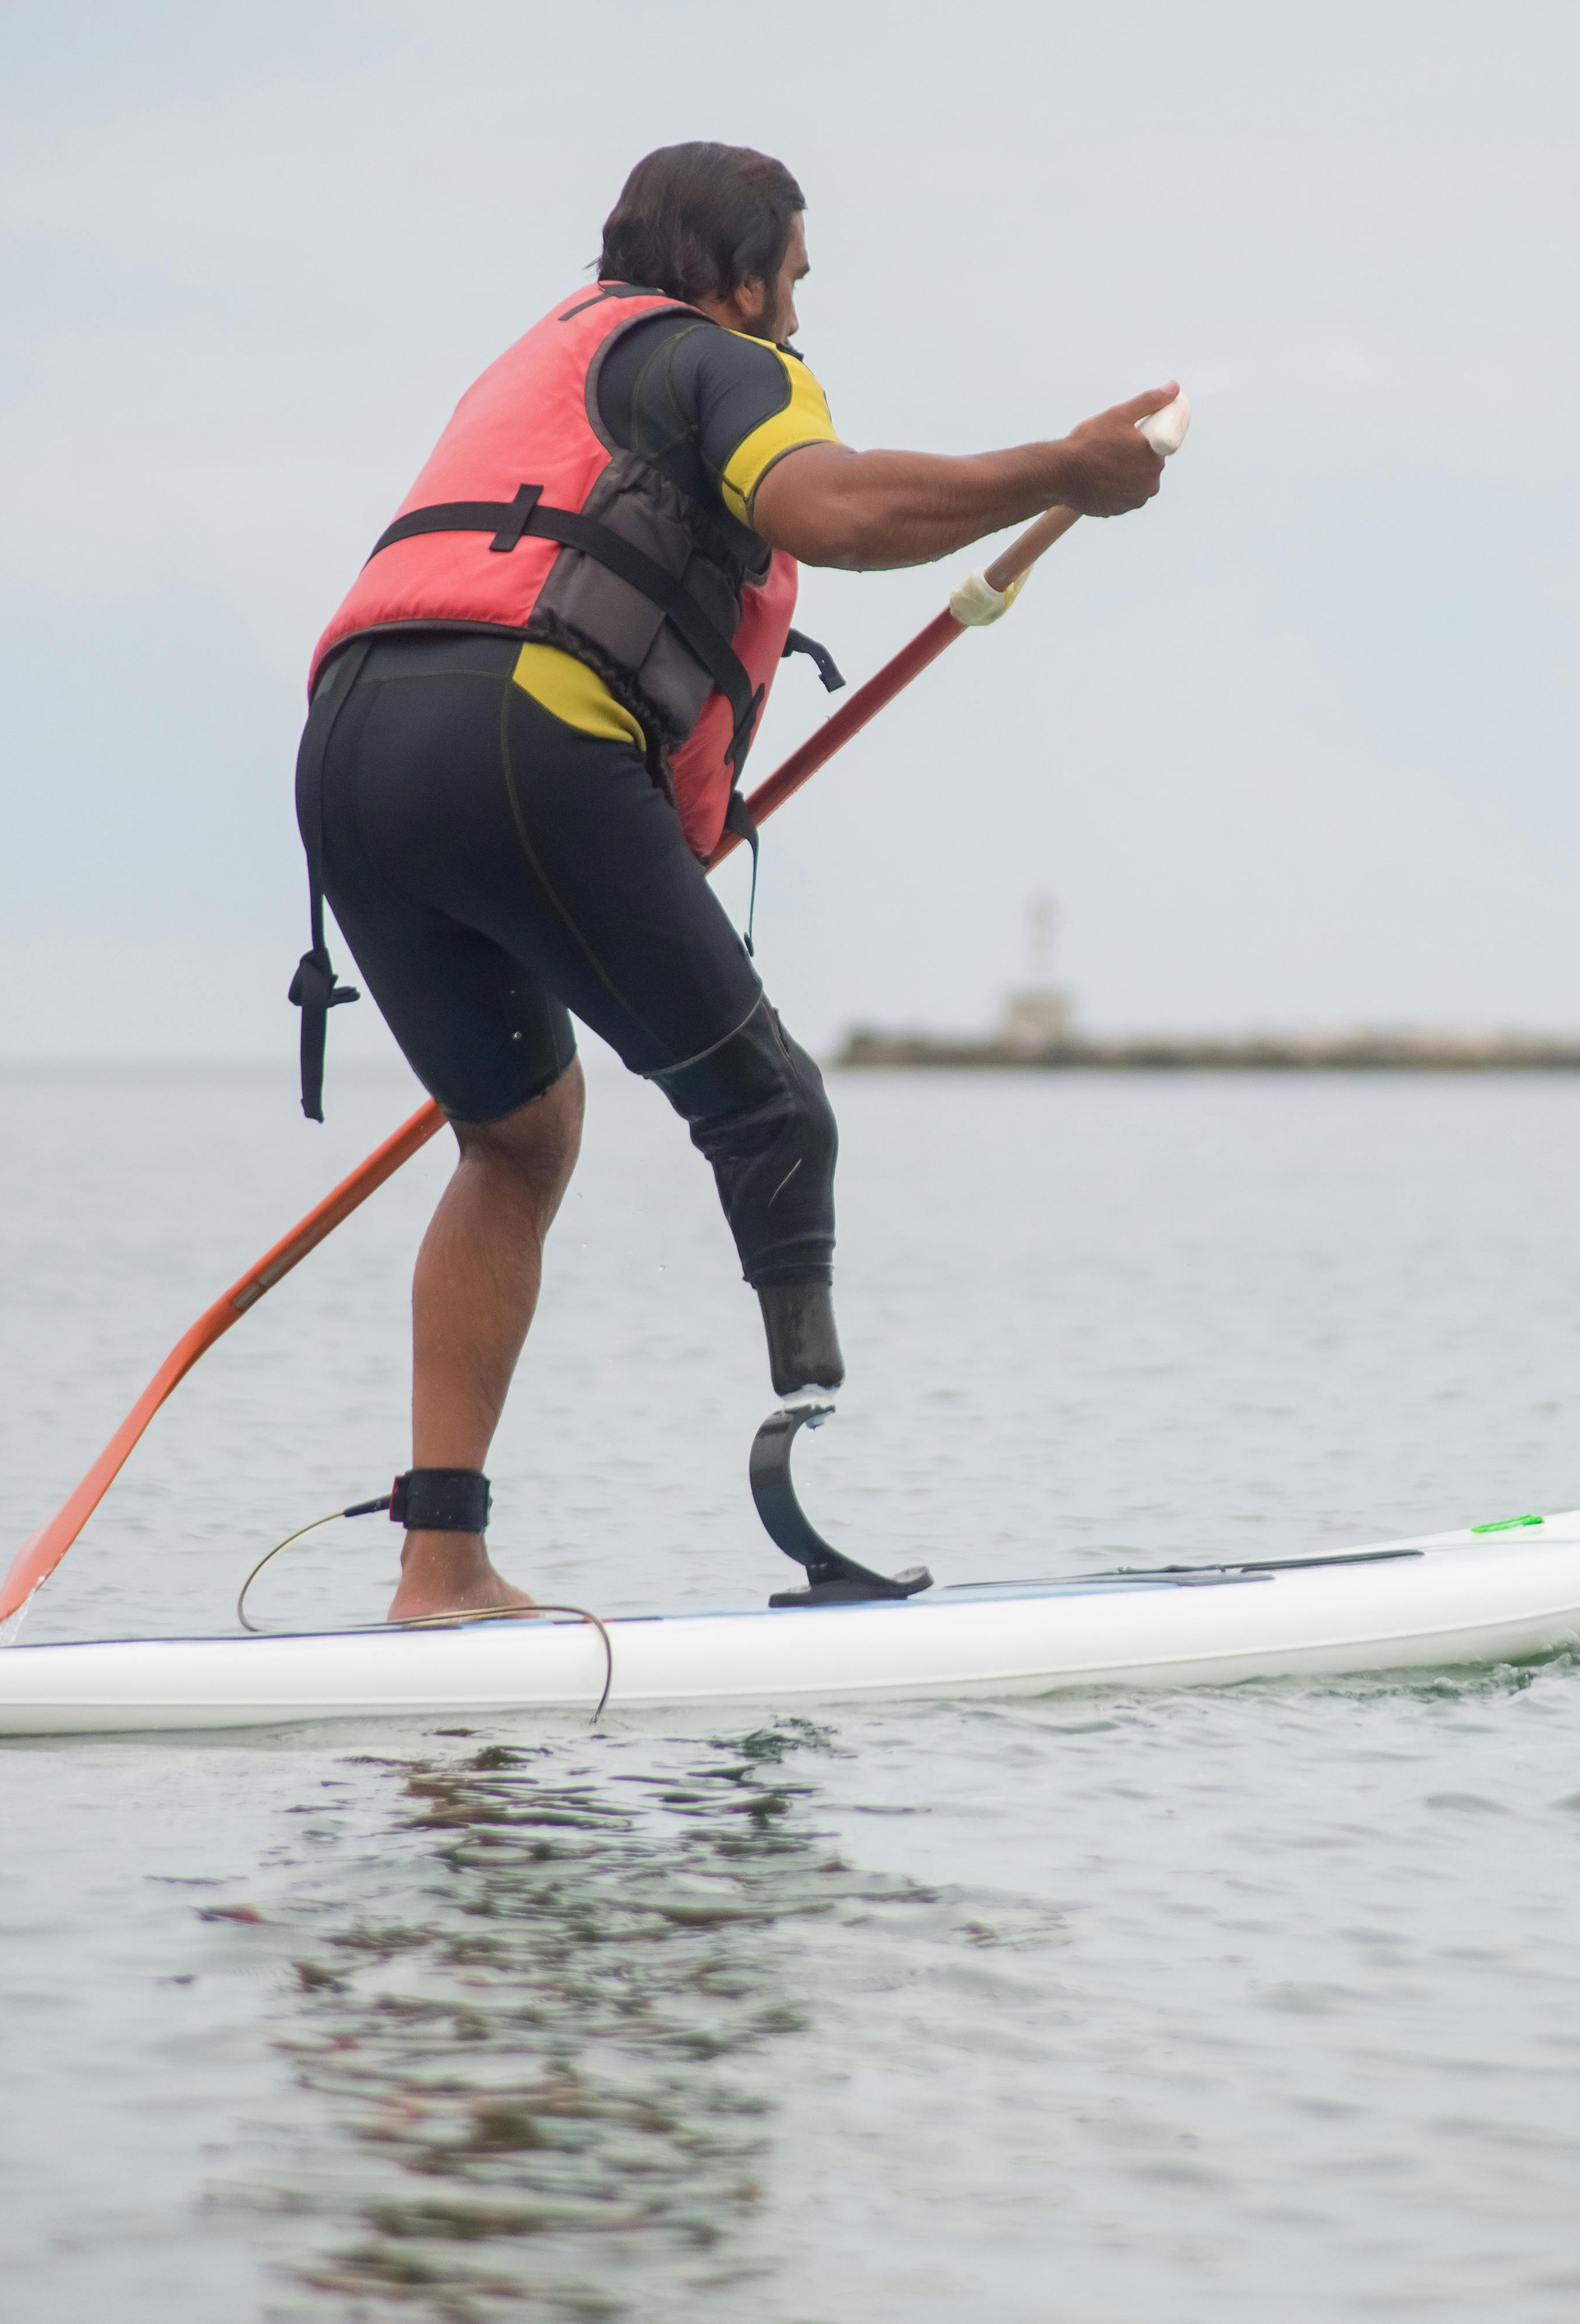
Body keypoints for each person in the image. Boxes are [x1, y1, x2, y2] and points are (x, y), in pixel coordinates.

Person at [292, 142, 1173, 1620]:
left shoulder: (552, 361)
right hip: (521, 740)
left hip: (347, 757)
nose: (799, 315)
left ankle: (438, 1567)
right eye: (796, 281)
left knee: (516, 1138)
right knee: (769, 1112)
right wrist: (1063, 471)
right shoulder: (719, 361)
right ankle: (809, 1468)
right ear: (737, 272)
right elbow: (830, 513)